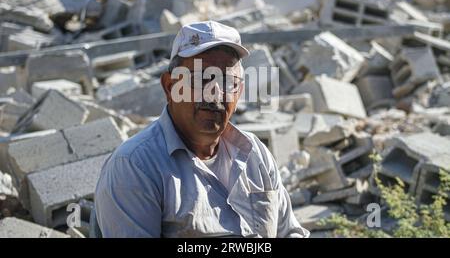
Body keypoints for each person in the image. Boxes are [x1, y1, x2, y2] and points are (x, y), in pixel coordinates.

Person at [95, 21, 309, 238]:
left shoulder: (254, 154)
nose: (214, 93)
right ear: (170, 87)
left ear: (239, 91)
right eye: (200, 78)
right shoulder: (136, 166)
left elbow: (290, 232)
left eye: (227, 81)